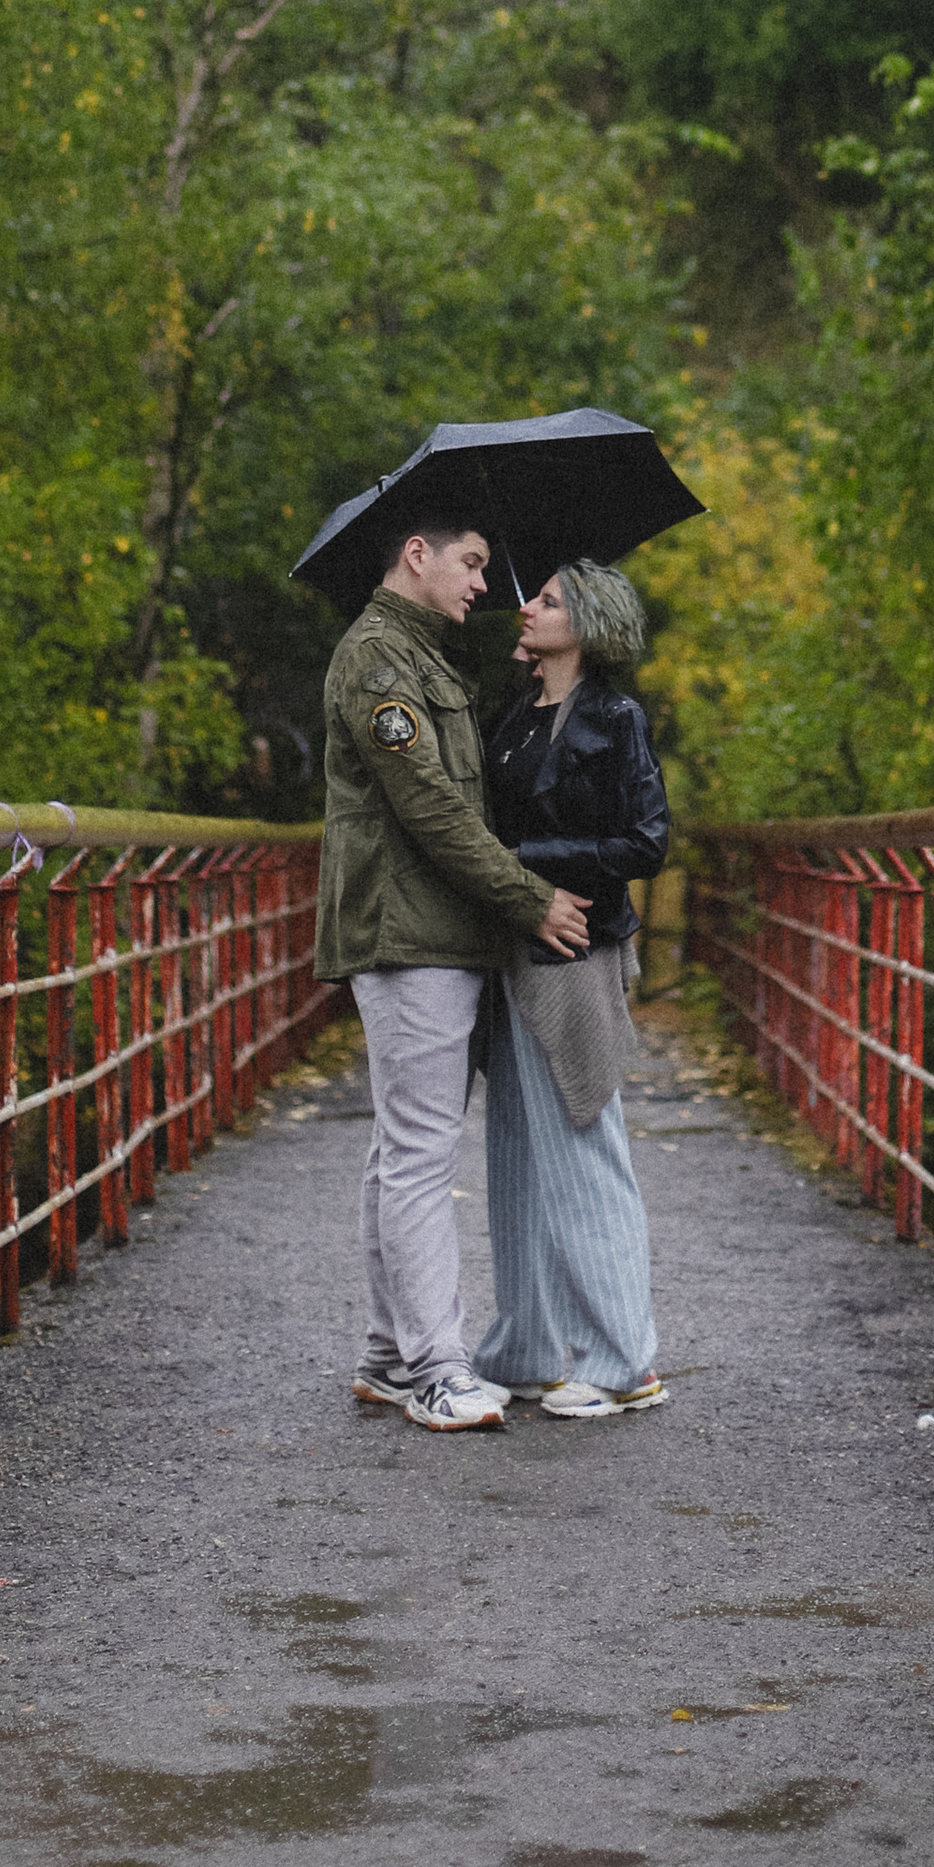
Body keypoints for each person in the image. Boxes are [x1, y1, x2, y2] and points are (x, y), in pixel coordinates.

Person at [315, 519, 591, 1433]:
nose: (485, 584)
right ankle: (437, 1368)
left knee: (401, 1149)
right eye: (471, 564)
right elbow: (430, 805)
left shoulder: (422, 657)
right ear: (416, 553)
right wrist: (528, 898)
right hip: (409, 933)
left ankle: (390, 1357)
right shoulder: (380, 660)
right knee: (422, 1154)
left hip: (431, 929)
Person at [474, 558, 671, 1419]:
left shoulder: (616, 718)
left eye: (548, 601)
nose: (527, 606)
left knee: (586, 1148)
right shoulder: (517, 717)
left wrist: (529, 868)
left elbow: (645, 842)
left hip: (578, 949)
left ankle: (625, 1361)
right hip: (512, 948)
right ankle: (522, 1351)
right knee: (516, 1151)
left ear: (587, 624)